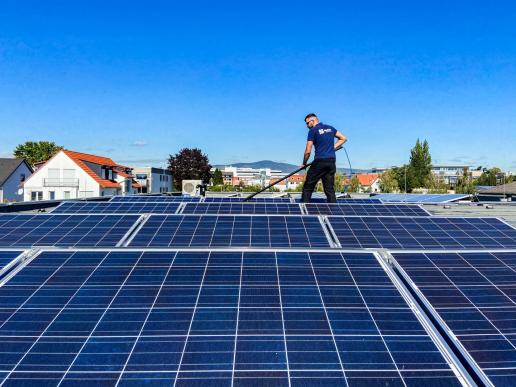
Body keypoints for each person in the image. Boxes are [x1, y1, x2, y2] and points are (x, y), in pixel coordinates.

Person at [301, 113, 347, 203]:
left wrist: (304, 163)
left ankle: (304, 210)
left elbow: (308, 150)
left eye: (307, 123)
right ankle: (333, 212)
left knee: (308, 187)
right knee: (329, 189)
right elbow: (343, 138)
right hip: (331, 162)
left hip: (319, 161)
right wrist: (332, 148)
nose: (307, 126)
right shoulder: (330, 128)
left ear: (312, 121)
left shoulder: (313, 131)